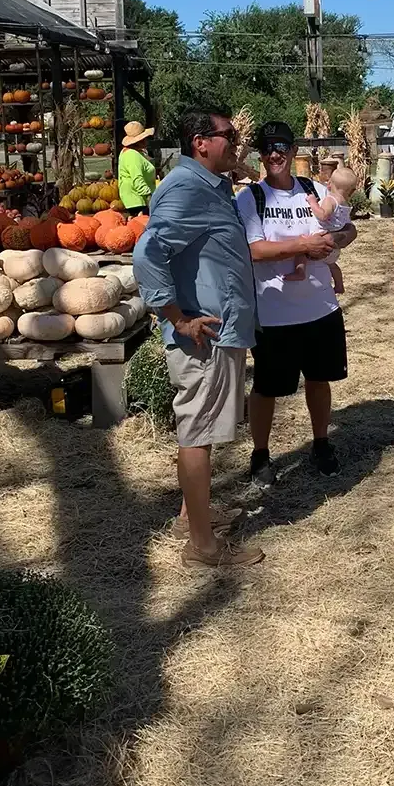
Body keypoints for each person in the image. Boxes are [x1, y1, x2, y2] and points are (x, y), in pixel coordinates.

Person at [134, 108, 263, 569]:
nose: (236, 142)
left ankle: (194, 516)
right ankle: (202, 547)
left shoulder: (211, 184)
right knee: (197, 431)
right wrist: (177, 317)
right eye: (228, 136)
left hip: (221, 329)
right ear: (200, 143)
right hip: (202, 336)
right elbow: (148, 252)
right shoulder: (187, 188)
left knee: (202, 430)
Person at [235, 121, 357, 485]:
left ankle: (321, 443)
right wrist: (304, 246)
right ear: (261, 155)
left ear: (292, 152)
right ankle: (261, 454)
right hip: (273, 313)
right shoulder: (251, 198)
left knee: (320, 380)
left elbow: (348, 229)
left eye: (282, 147)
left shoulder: (314, 189)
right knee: (268, 387)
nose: (275, 154)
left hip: (320, 308)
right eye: (268, 148)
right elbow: (254, 250)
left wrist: (334, 238)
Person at [286, 163, 358, 293]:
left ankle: (300, 271)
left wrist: (313, 202)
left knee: (301, 250)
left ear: (329, 184)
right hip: (334, 246)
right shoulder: (345, 204)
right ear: (352, 191)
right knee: (332, 265)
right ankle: (339, 284)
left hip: (320, 237)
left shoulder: (330, 199)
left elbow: (323, 215)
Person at [118, 122, 157, 216]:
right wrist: (150, 198)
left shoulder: (133, 152)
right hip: (138, 200)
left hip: (137, 199)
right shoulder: (132, 155)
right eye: (145, 138)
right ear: (140, 140)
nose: (147, 140)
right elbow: (137, 179)